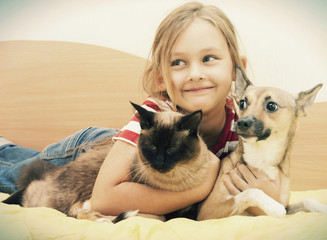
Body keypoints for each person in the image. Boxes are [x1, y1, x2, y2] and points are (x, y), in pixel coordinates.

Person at [0, 2, 280, 217]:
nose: (195, 73)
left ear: (236, 68)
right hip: (91, 149)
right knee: (17, 173)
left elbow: (264, 178)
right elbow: (103, 199)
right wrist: (201, 187)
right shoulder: (156, 112)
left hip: (142, 153)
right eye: (178, 63)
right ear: (161, 78)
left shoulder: (243, 124)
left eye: (208, 58)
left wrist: (269, 193)